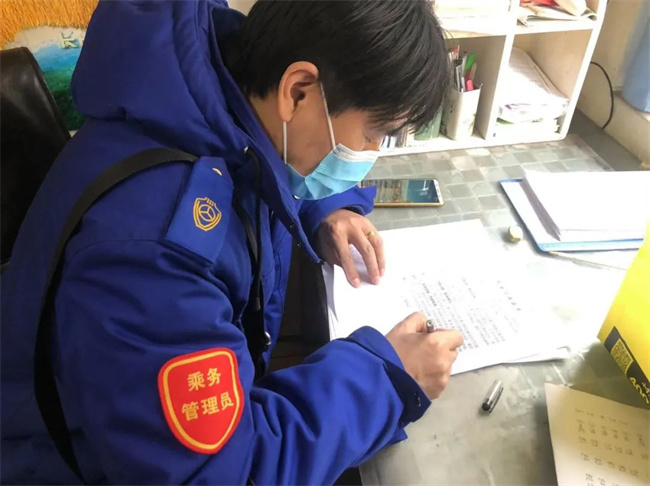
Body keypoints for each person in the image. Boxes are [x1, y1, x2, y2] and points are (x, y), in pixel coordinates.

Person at [1, 0, 463, 483]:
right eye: (374, 134)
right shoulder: (152, 259)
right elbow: (222, 474)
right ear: (298, 91)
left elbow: (253, 164)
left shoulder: (212, 86)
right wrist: (385, 381)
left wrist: (326, 206)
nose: (372, 153)